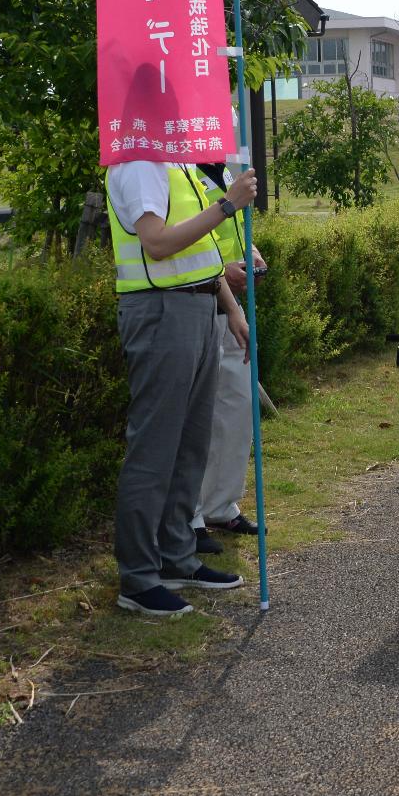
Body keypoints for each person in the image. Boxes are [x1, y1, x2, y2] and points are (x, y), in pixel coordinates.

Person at [104, 156, 258, 617]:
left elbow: (202, 250)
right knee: (154, 450)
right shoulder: (135, 164)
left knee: (190, 445)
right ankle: (138, 576)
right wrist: (227, 207)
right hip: (160, 312)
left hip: (197, 305)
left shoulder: (177, 164)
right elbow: (156, 243)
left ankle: (176, 557)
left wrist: (229, 306)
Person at [191, 163, 268, 552]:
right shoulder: (181, 168)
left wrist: (251, 255)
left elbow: (232, 230)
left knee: (238, 403)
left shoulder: (227, 167)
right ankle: (191, 515)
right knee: (198, 417)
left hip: (230, 304)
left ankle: (221, 504)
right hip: (193, 299)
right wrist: (223, 270)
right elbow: (181, 240)